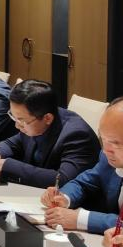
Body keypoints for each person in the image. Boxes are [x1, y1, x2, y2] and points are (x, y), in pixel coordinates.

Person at [0, 80, 99, 187]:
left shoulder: (77, 135)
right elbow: (16, 142)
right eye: (13, 117)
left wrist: (6, 166)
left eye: (21, 120)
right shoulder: (35, 119)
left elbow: (63, 180)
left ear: (47, 118)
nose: (17, 125)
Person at [42, 98, 123, 233]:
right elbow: (84, 183)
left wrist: (80, 219)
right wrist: (64, 197)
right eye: (103, 139)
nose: (105, 150)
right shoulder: (107, 158)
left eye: (115, 143)